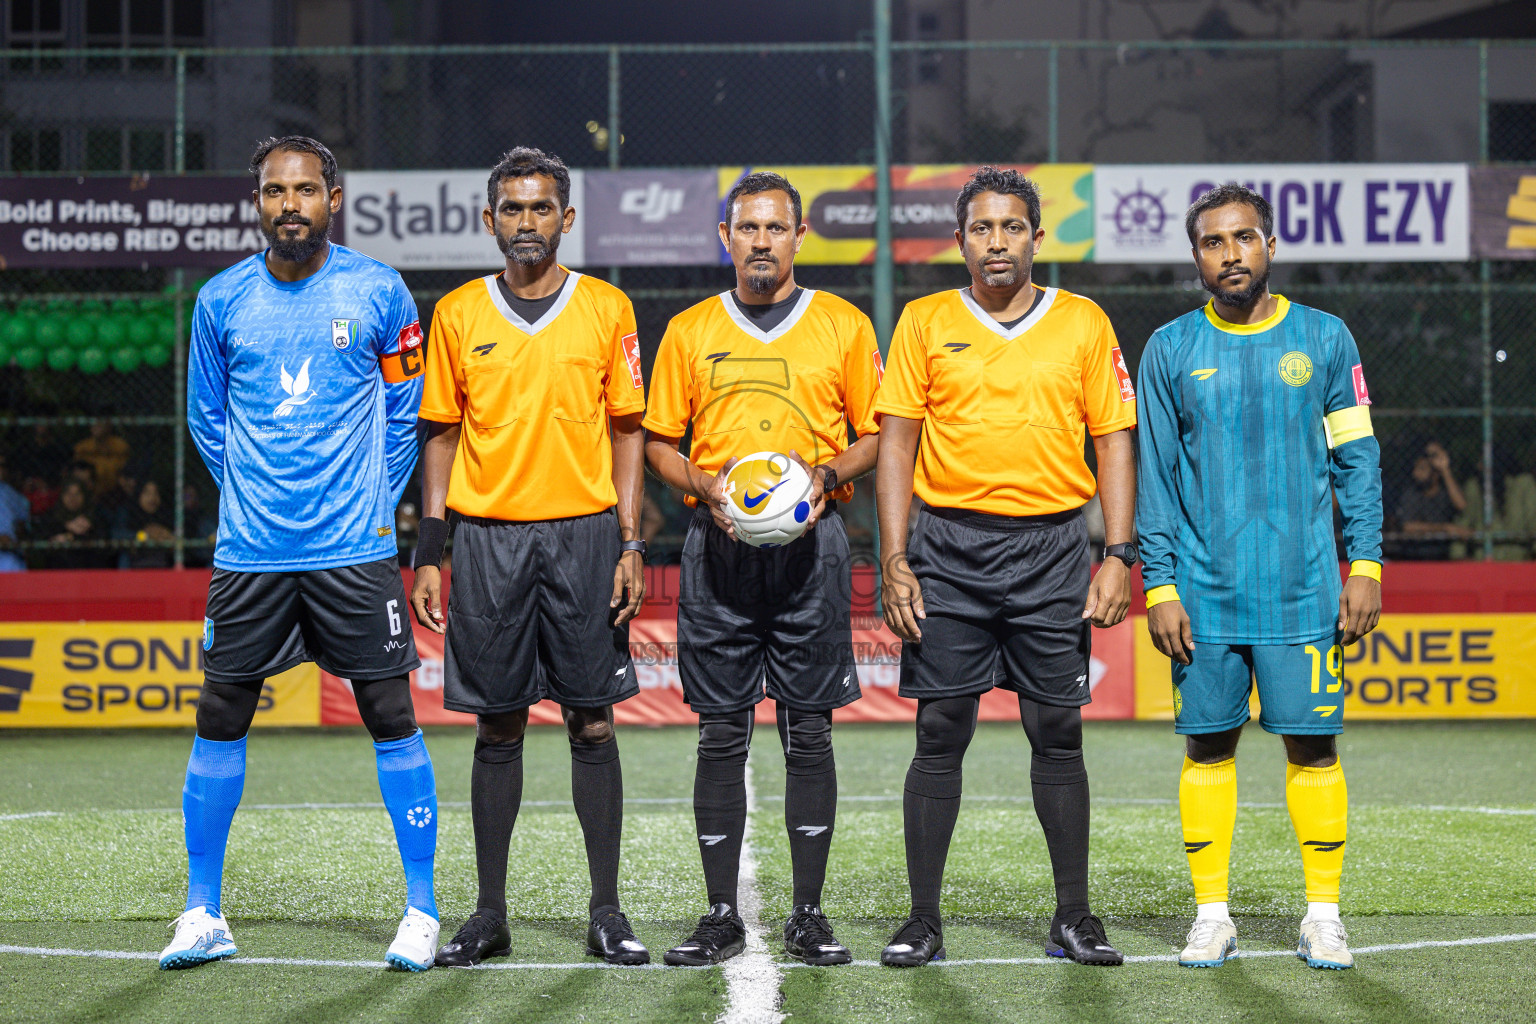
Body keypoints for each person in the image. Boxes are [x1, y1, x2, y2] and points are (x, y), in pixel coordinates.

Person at [163, 135, 438, 972]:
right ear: (258, 203)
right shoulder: (219, 301)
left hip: (353, 551)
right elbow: (207, 424)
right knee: (221, 715)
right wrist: (257, 489)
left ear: (334, 198)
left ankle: (420, 911)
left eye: (306, 190)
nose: (291, 205)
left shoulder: (380, 291)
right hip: (251, 554)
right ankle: (202, 911)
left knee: (390, 713)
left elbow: (405, 409)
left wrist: (368, 498)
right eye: (275, 192)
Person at [875, 166, 1136, 968]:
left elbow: (1114, 438)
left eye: (1012, 227)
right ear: (959, 241)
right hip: (948, 550)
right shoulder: (923, 320)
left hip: (1053, 549)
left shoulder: (1084, 323)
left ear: (1035, 236)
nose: (997, 241)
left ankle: (1073, 917)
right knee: (939, 728)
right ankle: (923, 920)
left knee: (1056, 730)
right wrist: (893, 556)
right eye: (982, 228)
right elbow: (896, 443)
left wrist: (1119, 552)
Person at [410, 147, 650, 968]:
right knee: (497, 725)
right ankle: (488, 915)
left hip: (584, 535)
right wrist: (431, 550)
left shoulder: (609, 308)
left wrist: (628, 539)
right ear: (488, 221)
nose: (525, 223)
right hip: (487, 540)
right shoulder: (457, 314)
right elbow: (439, 432)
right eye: (511, 209)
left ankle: (608, 912)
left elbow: (628, 433)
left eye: (540, 208)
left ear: (566, 219)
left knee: (591, 720)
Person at [1137, 182, 1383, 971]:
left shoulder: (1326, 338)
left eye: (1244, 238)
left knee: (1314, 748)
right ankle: (1213, 915)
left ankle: (1323, 914)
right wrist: (1161, 584)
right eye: (1213, 242)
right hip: (1203, 597)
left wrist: (1367, 562)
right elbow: (1155, 479)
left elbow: (1358, 460)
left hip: (1304, 589)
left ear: (1270, 245)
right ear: (1197, 258)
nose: (1230, 253)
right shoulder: (1171, 348)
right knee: (1207, 747)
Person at [643, 172, 881, 967]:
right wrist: (703, 484)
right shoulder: (688, 330)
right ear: (725, 237)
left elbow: (880, 435)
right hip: (719, 554)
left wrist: (825, 471)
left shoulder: (843, 326)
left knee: (809, 732)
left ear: (799, 236)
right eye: (747, 228)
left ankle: (808, 915)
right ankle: (720, 914)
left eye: (776, 228)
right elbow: (656, 443)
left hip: (813, 552)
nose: (761, 242)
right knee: (720, 731)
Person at [1394, 441, 1469, 560]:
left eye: (1422, 469)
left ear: (1435, 474)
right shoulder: (1412, 493)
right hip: (1415, 557)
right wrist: (1444, 528)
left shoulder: (1445, 492)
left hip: (1443, 557)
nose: (1416, 474)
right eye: (1416, 469)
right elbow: (1408, 527)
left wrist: (1445, 470)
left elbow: (1462, 505)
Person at [42, 478, 106, 569]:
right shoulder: (51, 516)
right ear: (62, 495)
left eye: (77, 494)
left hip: (89, 570)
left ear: (84, 496)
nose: (72, 498)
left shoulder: (95, 516)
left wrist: (72, 537)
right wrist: (66, 527)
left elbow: (103, 542)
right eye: (68, 493)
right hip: (57, 571)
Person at [72, 419, 130, 499]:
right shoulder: (82, 448)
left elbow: (125, 471)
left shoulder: (120, 446)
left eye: (100, 423)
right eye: (94, 423)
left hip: (114, 494)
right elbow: (76, 471)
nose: (96, 426)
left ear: (109, 426)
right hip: (88, 493)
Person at [126, 480, 175, 569]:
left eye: (156, 493)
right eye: (147, 493)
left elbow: (176, 541)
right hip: (136, 561)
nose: (152, 498)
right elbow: (119, 535)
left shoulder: (165, 515)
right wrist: (144, 535)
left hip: (162, 562)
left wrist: (166, 535)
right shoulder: (129, 514)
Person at [0, 452, 30, 571]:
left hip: (9, 554)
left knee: (12, 564)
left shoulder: (13, 494)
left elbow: (22, 525)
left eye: (2, 465)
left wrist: (14, 542)